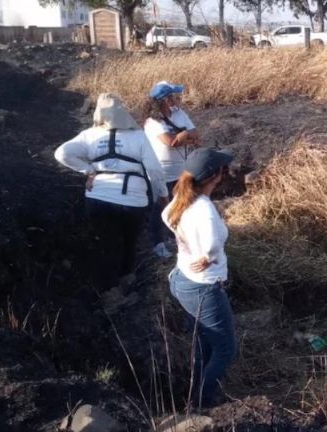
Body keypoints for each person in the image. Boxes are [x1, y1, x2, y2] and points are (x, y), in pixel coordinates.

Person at [55, 93, 168, 291]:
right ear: (122, 112)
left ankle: (105, 289)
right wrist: (162, 194)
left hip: (98, 197)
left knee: (106, 243)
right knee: (129, 242)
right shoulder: (138, 136)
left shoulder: (88, 135)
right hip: (132, 201)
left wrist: (89, 170)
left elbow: (61, 153)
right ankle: (125, 281)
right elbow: (154, 170)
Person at [162, 147, 236, 408]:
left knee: (203, 344)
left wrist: (196, 252)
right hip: (203, 288)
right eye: (223, 170)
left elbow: (165, 216)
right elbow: (212, 243)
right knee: (226, 350)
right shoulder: (203, 209)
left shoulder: (182, 197)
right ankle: (202, 402)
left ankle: (194, 389)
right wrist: (209, 256)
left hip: (182, 280)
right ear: (215, 176)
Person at [143, 81, 200, 258]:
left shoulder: (179, 113)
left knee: (179, 205)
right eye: (174, 95)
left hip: (180, 169)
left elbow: (196, 134)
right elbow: (169, 142)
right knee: (160, 207)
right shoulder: (152, 121)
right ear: (165, 100)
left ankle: (172, 237)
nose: (178, 98)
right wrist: (184, 136)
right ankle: (157, 243)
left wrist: (183, 137)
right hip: (160, 172)